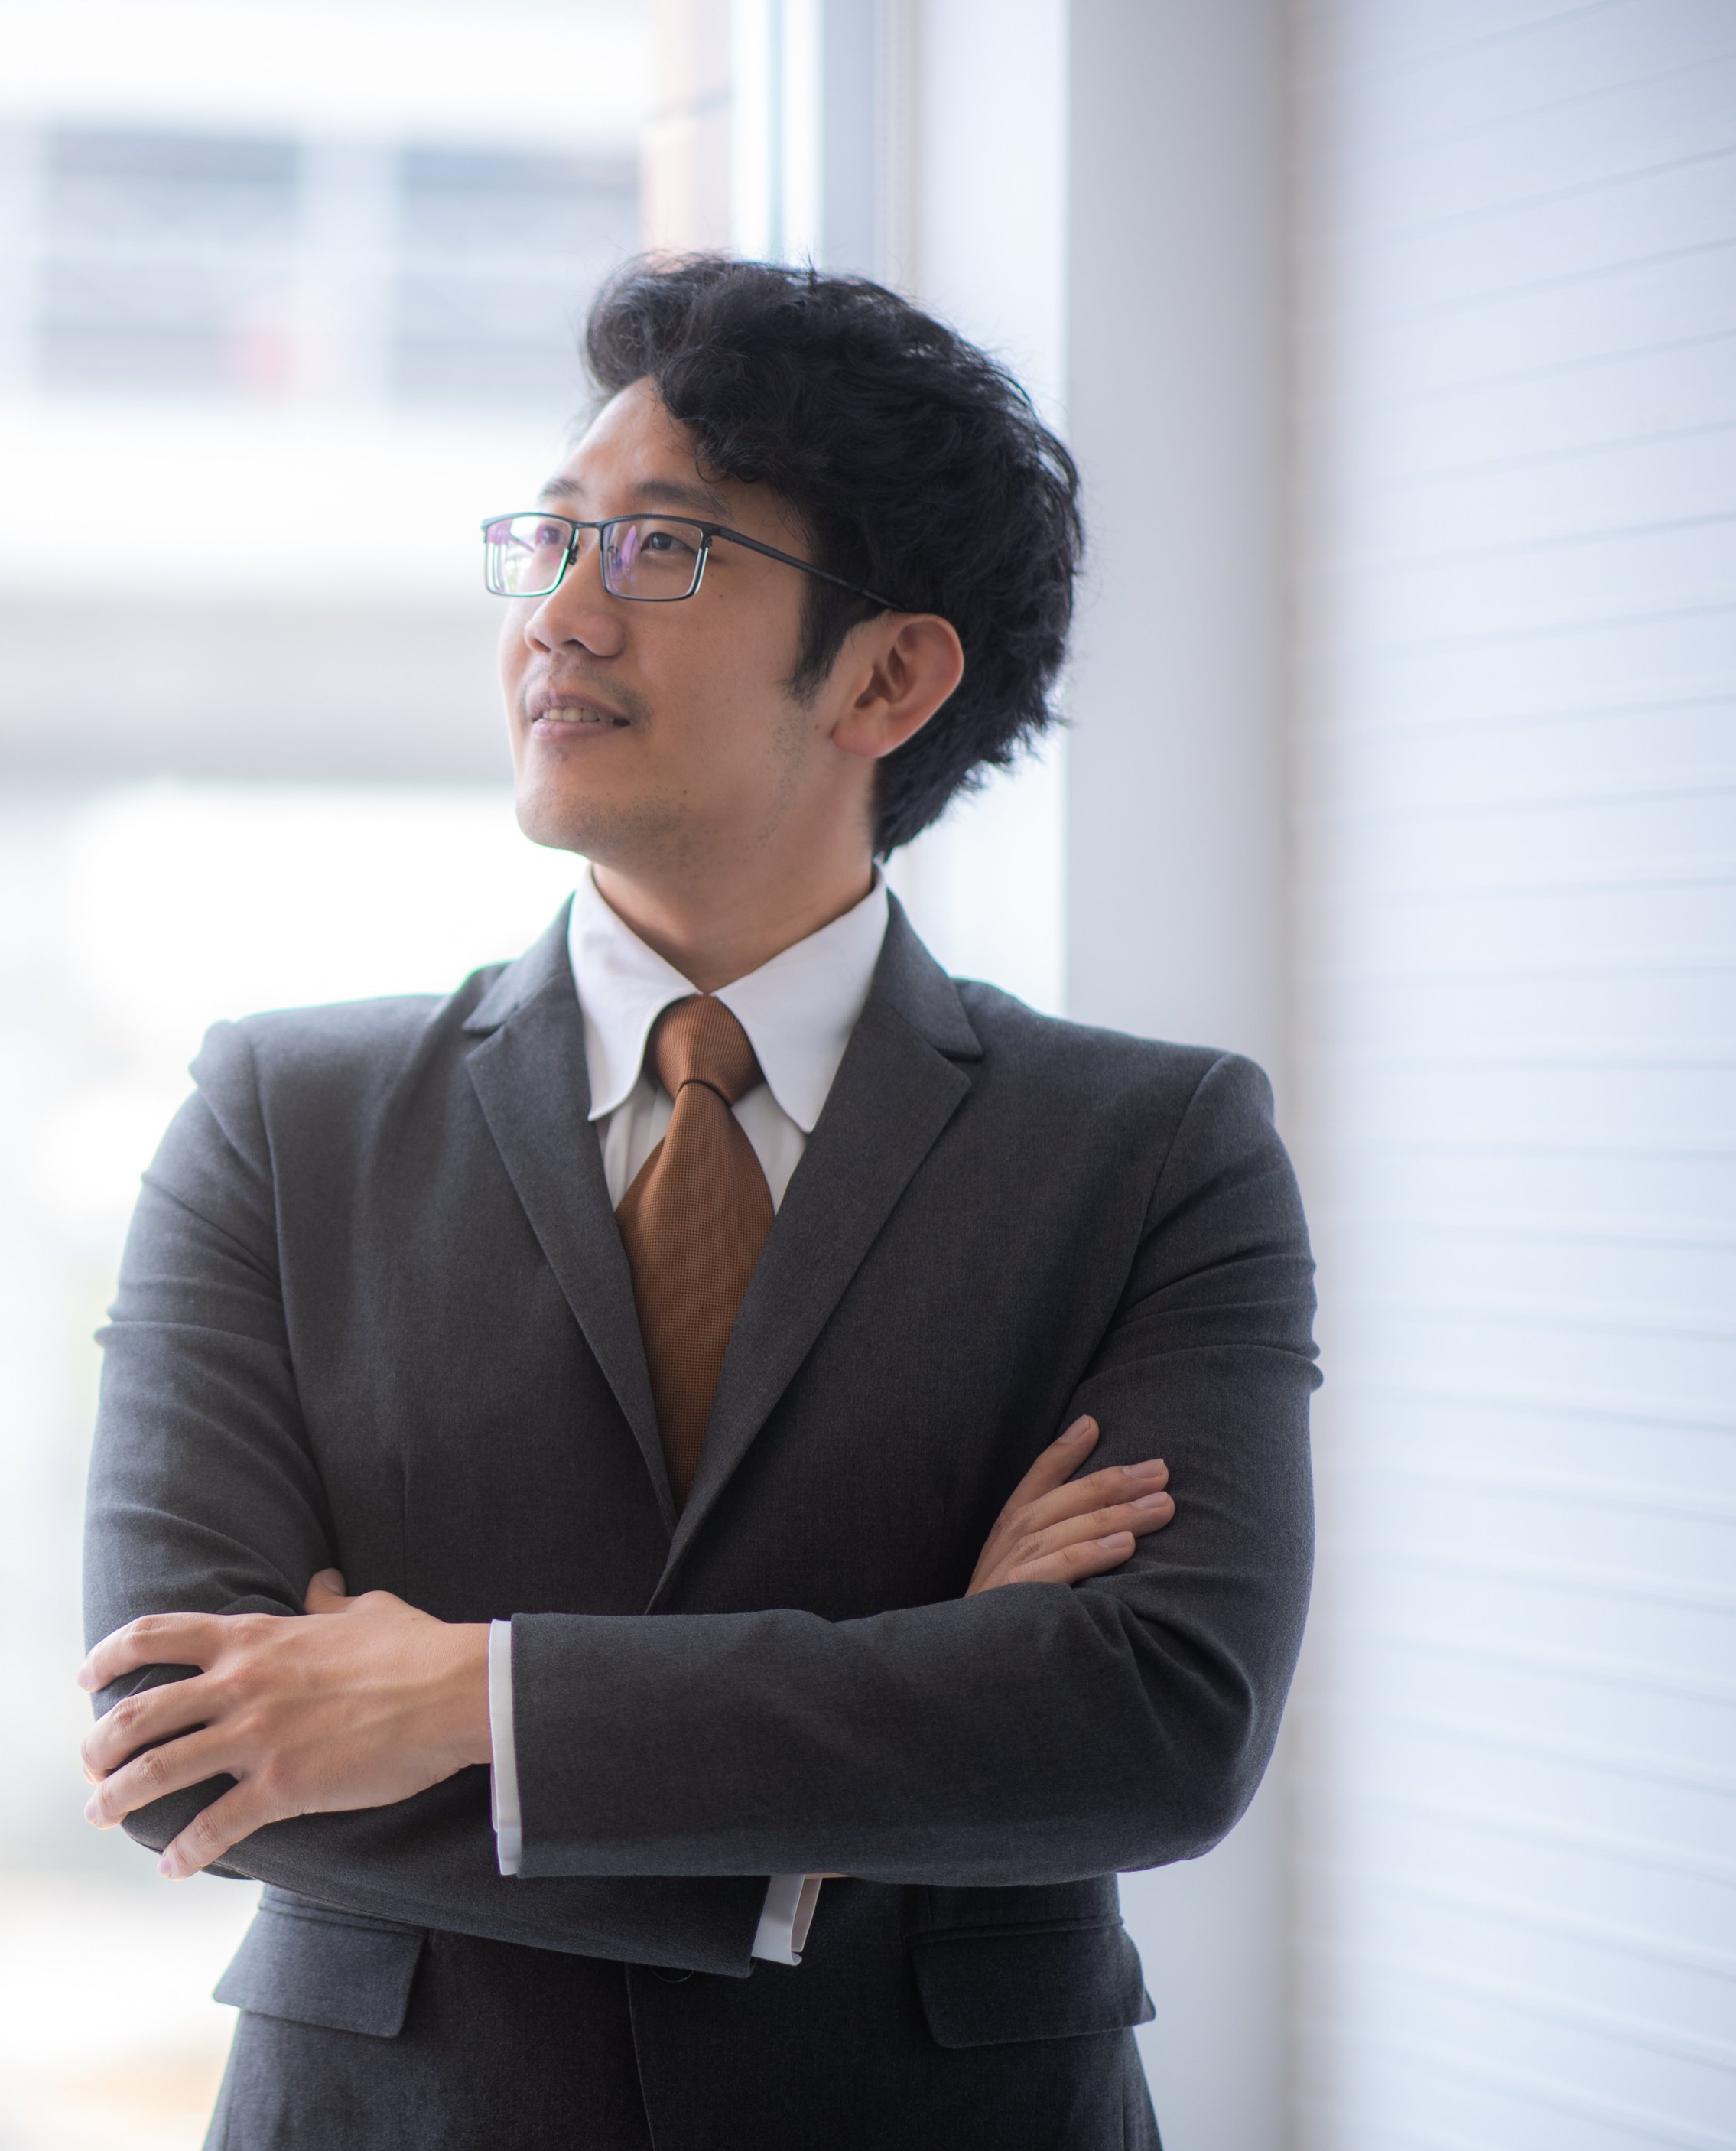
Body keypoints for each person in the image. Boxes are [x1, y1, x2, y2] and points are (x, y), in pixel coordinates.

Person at [74, 255, 1317, 2149]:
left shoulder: (1151, 1150)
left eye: (660, 553)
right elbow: (184, 1742)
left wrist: (463, 1691)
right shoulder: (280, 1115)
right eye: (552, 543)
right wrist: (906, 1735)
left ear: (890, 673)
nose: (560, 620)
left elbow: (1154, 1725)